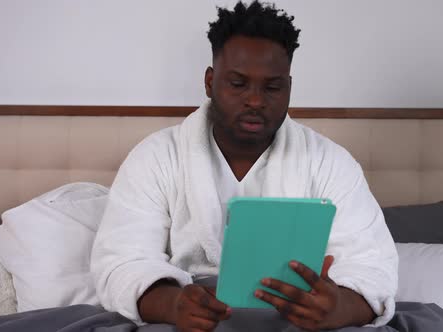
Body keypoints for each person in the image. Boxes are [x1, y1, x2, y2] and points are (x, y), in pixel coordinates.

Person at [91, 1, 398, 331]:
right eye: (238, 84)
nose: (255, 100)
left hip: (297, 319)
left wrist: (339, 308)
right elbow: (122, 261)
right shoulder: (156, 157)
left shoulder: (331, 163)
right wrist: (173, 304)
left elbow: (371, 266)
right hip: (188, 317)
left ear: (289, 88)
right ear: (210, 82)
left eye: (272, 87)